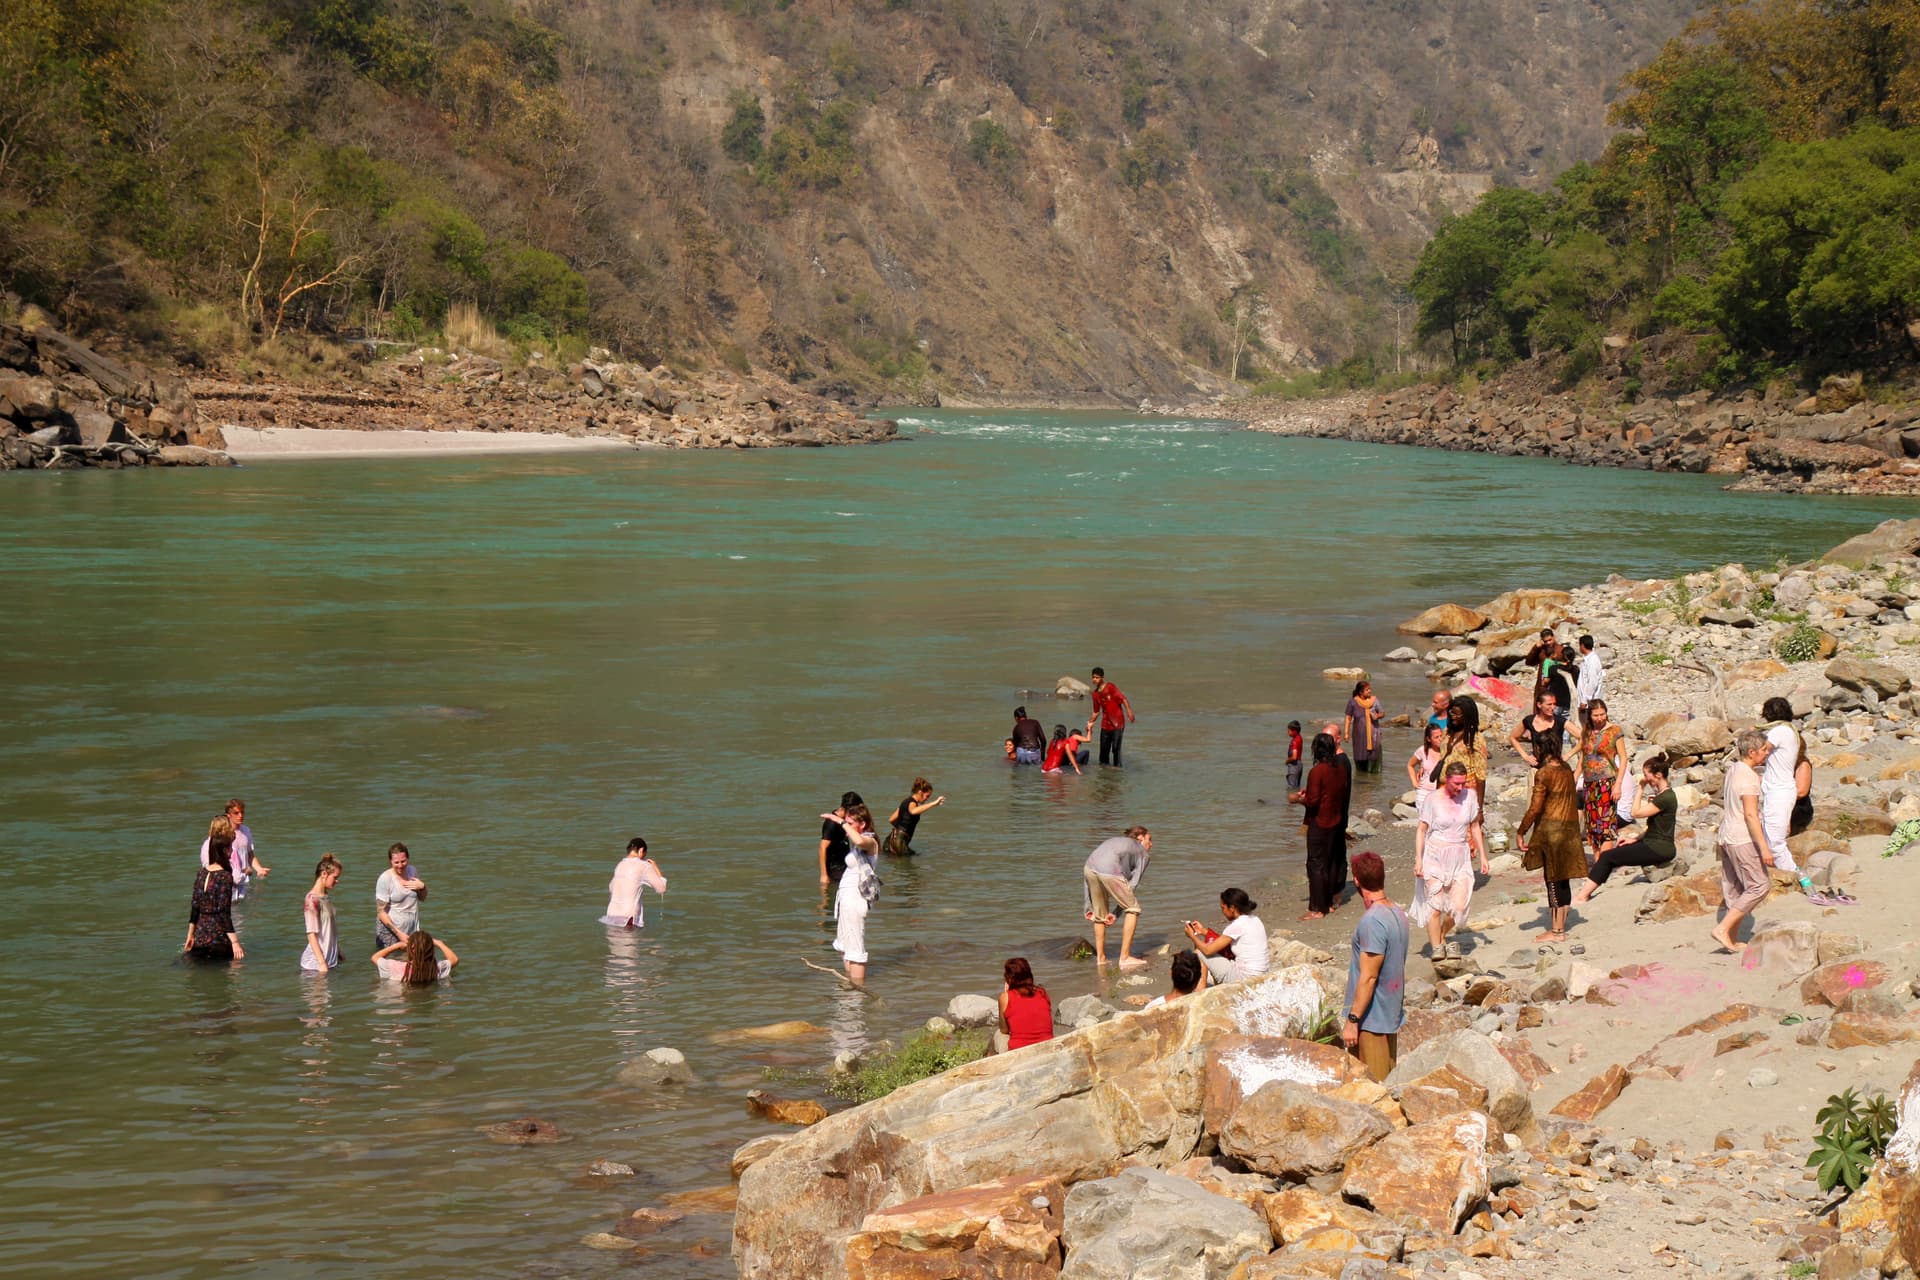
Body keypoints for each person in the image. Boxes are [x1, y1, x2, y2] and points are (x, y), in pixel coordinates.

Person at [1575, 754, 1678, 903]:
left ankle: (1582, 895)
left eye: (1646, 775)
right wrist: (1634, 839)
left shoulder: (1666, 797)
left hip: (1659, 848)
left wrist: (1640, 789)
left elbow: (1635, 813)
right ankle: (1587, 889)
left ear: (1658, 775)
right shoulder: (1662, 795)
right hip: (1653, 842)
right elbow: (1656, 827)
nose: (1644, 778)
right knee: (1615, 852)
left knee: (1607, 857)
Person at [1342, 850, 1408, 1082]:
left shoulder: (1372, 922)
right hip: (1389, 1015)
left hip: (1372, 1020)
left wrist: (1352, 1021)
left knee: (1372, 1086)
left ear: (1357, 881)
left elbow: (1369, 977)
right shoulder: (1397, 912)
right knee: (1386, 1082)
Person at [1412, 762, 1487, 960]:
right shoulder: (1433, 799)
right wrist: (1418, 860)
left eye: (1463, 783)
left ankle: (1442, 935)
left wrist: (1484, 855)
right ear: (1446, 779)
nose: (1460, 788)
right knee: (1435, 906)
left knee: (1458, 909)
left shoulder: (1470, 797)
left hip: (1460, 856)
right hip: (1435, 855)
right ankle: (1437, 949)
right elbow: (1421, 829)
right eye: (1456, 784)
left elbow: (1475, 826)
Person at [1516, 733, 1585, 943]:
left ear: (1540, 750)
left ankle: (1556, 932)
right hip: (1570, 829)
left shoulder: (1544, 773)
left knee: (1553, 880)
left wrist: (1521, 831)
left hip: (1552, 830)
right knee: (1564, 879)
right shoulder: (1565, 768)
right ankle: (1560, 926)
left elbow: (1535, 807)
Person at [1713, 728, 1774, 954]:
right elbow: (1750, 815)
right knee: (1760, 885)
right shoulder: (1749, 776)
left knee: (1735, 889)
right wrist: (1764, 848)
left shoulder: (1733, 769)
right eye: (1764, 750)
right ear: (1752, 752)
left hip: (1726, 834)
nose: (1767, 754)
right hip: (1741, 837)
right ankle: (1723, 929)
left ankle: (1731, 937)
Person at [1759, 697, 1817, 893]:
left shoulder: (1779, 731)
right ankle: (1786, 876)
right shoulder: (1790, 731)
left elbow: (1760, 751)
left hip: (1780, 793)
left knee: (1775, 843)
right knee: (1770, 839)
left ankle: (1800, 879)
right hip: (1779, 792)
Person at [1290, 734, 1349, 920]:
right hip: (1336, 820)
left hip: (1320, 822)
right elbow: (1332, 792)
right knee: (1330, 861)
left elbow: (1313, 801)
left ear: (1316, 750)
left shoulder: (1317, 771)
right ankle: (1330, 902)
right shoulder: (1340, 768)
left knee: (1315, 864)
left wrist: (1296, 799)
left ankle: (1317, 908)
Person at [1081, 826, 1152, 968]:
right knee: (1133, 909)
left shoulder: (1117, 843)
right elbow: (1132, 886)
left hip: (1088, 867)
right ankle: (1125, 958)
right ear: (1140, 838)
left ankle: (1101, 959)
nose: (1151, 844)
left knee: (1099, 914)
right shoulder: (1143, 853)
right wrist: (1116, 913)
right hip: (1108, 868)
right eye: (1149, 839)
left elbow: (1091, 868)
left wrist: (1087, 906)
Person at [829, 804, 881, 985]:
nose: (847, 826)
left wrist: (842, 822)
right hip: (846, 900)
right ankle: (850, 987)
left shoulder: (870, 842)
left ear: (863, 824)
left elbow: (859, 841)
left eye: (852, 823)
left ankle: (856, 992)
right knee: (846, 946)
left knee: (855, 947)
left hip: (855, 900)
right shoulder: (856, 845)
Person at [1184, 888, 1270, 985]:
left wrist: (1192, 936)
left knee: (1199, 951)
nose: (1223, 912)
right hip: (1262, 972)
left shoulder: (1237, 925)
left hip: (1245, 976)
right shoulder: (1255, 920)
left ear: (1232, 908)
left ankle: (1200, 991)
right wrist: (1203, 931)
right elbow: (1225, 941)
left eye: (1223, 908)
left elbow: (1208, 950)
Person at [1578, 700, 1629, 856]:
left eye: (1602, 714)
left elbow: (1623, 758)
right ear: (1590, 716)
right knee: (1592, 825)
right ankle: (1597, 858)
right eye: (1596, 715)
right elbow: (1584, 757)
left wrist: (1618, 784)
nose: (1600, 718)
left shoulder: (1614, 731)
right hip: (1589, 783)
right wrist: (1574, 777)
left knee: (1606, 823)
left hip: (1607, 781)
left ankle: (1603, 861)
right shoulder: (1586, 731)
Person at [184, 833, 243, 962]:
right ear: (224, 851)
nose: (232, 851)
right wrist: (235, 942)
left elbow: (195, 907)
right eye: (230, 848)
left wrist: (190, 935)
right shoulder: (225, 876)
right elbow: (223, 912)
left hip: (200, 937)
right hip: (218, 939)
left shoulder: (201, 873)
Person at [602, 836, 667, 927]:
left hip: (611, 915)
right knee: (630, 940)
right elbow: (661, 888)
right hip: (628, 919)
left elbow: (611, 888)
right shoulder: (644, 866)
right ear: (641, 850)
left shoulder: (620, 865)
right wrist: (655, 867)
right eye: (644, 855)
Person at [374, 842, 428, 950]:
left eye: (403, 861)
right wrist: (399, 934)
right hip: (390, 933)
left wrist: (422, 887)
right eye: (396, 862)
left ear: (408, 858)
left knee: (412, 962)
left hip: (411, 928)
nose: (400, 865)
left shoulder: (412, 871)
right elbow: (381, 912)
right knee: (393, 962)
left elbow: (422, 898)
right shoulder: (385, 879)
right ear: (391, 861)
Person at [1440, 697, 1489, 806]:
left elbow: (1481, 776)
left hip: (1465, 791)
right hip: (1444, 789)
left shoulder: (1476, 738)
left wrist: (1479, 809)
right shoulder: (1446, 733)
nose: (1453, 716)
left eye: (1457, 714)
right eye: (1451, 712)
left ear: (1467, 717)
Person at [997, 957, 1053, 1051]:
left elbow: (1004, 1030)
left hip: (1020, 1054)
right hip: (1048, 1049)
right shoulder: (1042, 993)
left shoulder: (1005, 997)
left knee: (998, 1035)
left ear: (1009, 979)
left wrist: (1008, 993)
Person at [302, 855, 343, 972]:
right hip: (314, 967)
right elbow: (311, 934)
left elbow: (328, 929)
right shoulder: (311, 900)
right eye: (335, 877)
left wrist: (338, 951)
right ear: (324, 874)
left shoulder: (325, 896)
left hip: (329, 962)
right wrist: (322, 963)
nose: (337, 881)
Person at [372, 928, 459, 984]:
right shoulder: (436, 968)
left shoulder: (395, 967)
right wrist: (440, 944)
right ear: (431, 949)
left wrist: (396, 946)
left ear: (410, 949)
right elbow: (454, 959)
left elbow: (375, 957)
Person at [1089, 667, 1136, 766]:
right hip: (1105, 725)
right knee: (1103, 753)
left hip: (1118, 724)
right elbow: (1096, 712)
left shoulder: (1110, 687)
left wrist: (1129, 711)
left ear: (1102, 677)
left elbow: (1123, 699)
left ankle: (1117, 771)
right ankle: (1104, 775)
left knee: (1115, 749)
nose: (1094, 679)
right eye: (1093, 677)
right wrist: (1090, 723)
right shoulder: (1095, 694)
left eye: (1097, 677)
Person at [885, 778, 945, 855]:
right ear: (920, 793)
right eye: (927, 796)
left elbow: (891, 819)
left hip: (890, 840)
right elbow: (913, 811)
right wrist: (933, 804)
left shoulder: (905, 801)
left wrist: (901, 828)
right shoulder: (912, 803)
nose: (927, 799)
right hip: (899, 842)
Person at [817, 790, 864, 888]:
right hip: (835, 868)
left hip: (844, 863)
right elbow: (822, 847)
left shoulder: (845, 820)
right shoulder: (831, 823)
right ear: (850, 808)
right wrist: (824, 875)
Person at [1509, 690, 1566, 768]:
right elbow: (1513, 737)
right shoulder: (1529, 720)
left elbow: (1582, 737)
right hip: (1537, 768)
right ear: (1539, 705)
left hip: (1556, 768)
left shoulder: (1560, 721)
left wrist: (1568, 755)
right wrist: (1525, 756)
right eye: (1549, 704)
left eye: (1554, 704)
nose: (1553, 707)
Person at [1345, 681, 1386, 775]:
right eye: (1367, 690)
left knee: (1373, 757)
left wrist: (1378, 716)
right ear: (1360, 692)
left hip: (1374, 734)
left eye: (1369, 689)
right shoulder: (1353, 702)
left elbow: (1383, 713)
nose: (1370, 691)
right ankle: (1361, 780)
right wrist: (1346, 733)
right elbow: (1348, 718)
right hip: (1359, 735)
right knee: (1360, 757)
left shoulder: (1374, 700)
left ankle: (1373, 780)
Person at [1407, 722, 1448, 814]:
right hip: (1424, 792)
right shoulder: (1423, 751)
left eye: (1441, 736)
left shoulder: (1446, 751)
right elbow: (1410, 765)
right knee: (1424, 823)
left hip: (1441, 793)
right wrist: (1414, 782)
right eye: (1436, 737)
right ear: (1429, 739)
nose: (1440, 739)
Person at [1575, 635, 1605, 711]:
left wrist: (1584, 700)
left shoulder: (1592, 661)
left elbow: (1592, 681)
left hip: (1591, 702)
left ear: (1582, 645)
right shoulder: (1588, 660)